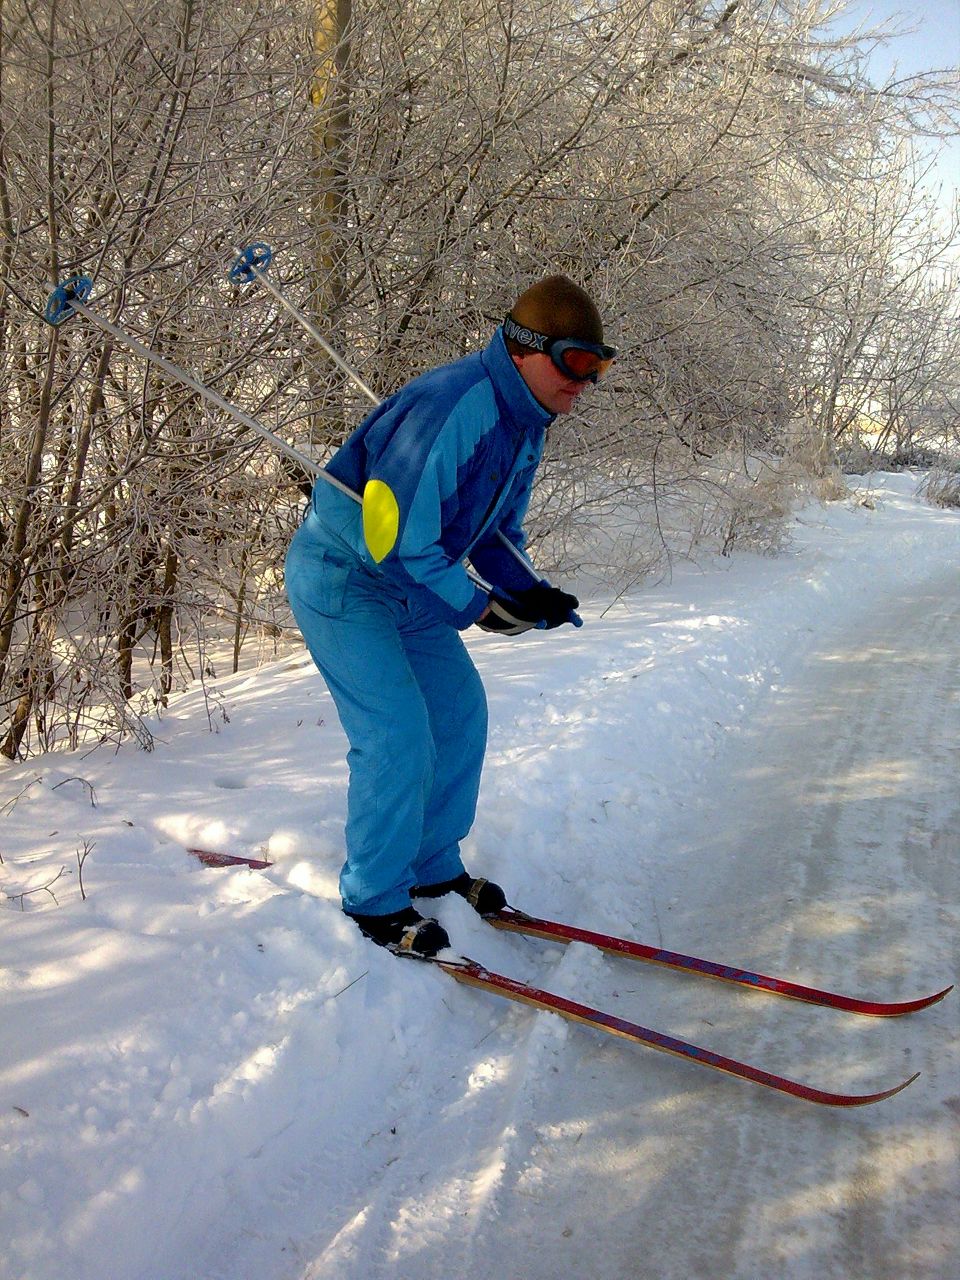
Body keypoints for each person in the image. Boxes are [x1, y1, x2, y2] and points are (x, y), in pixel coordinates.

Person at [284, 275, 616, 957]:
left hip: (410, 585)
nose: (585, 382)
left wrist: (531, 591)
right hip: (348, 579)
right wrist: (479, 608)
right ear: (526, 349)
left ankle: (433, 867)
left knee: (460, 713)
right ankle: (374, 898)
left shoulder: (526, 423)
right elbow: (398, 539)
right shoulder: (456, 404)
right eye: (576, 362)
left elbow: (491, 532)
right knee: (397, 733)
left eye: (598, 367)